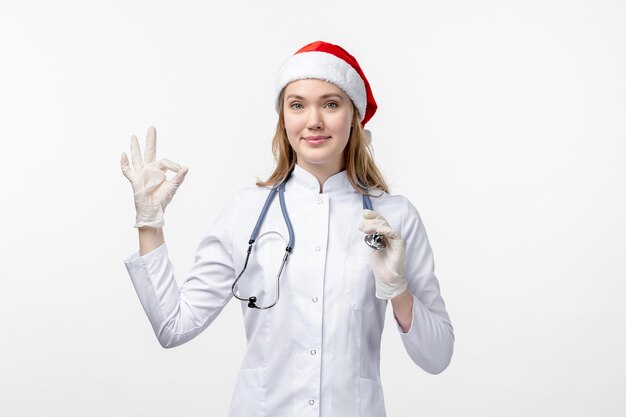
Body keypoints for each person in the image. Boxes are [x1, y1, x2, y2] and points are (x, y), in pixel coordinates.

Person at [120, 40, 454, 417]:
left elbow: (438, 356)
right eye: (297, 105)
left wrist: (399, 290)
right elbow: (173, 327)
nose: (314, 120)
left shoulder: (394, 218)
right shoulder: (246, 211)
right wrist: (149, 223)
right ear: (283, 117)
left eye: (331, 103)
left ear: (354, 116)